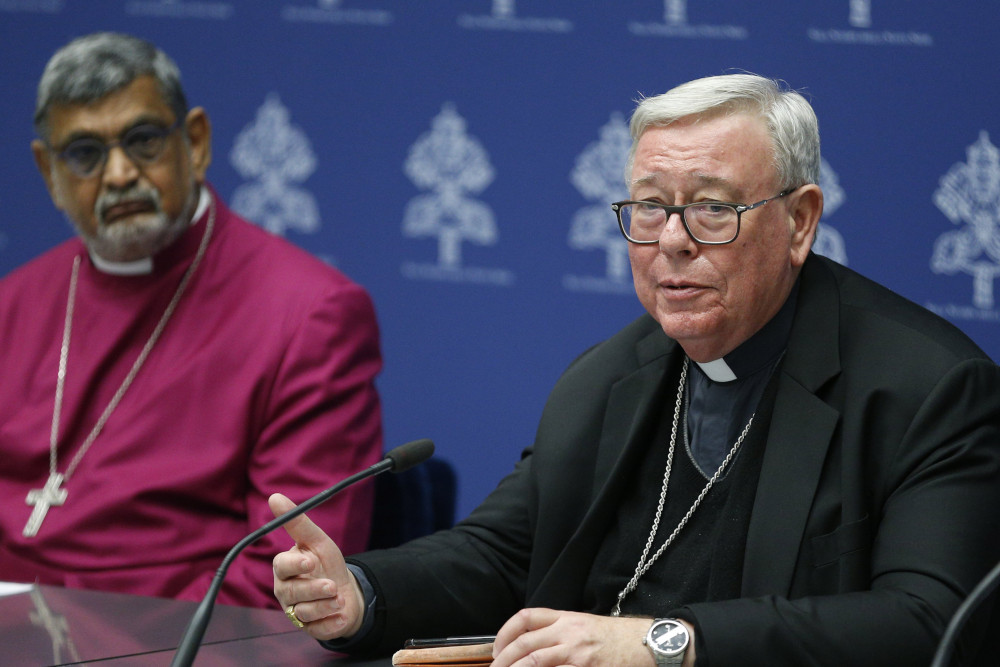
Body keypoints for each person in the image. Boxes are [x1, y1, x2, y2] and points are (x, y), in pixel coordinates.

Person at [270, 73, 1000, 665]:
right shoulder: (613, 374)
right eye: (650, 208)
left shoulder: (929, 387)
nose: (671, 242)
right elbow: (501, 551)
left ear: (800, 221)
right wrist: (361, 591)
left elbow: (930, 623)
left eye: (713, 208)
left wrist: (662, 642)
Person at [0, 32, 384, 609]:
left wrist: (55, 618)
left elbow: (291, 586)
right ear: (48, 171)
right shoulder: (12, 302)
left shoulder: (311, 317)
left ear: (196, 141)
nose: (120, 173)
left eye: (144, 140)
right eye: (85, 153)